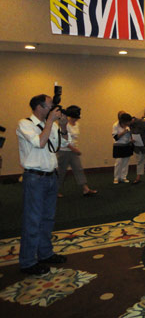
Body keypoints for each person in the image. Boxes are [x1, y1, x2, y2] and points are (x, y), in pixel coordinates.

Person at [16, 94, 70, 275]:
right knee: (33, 221)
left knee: (48, 218)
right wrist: (51, 123)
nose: (54, 109)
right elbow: (39, 142)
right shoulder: (25, 124)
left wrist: (62, 126)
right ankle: (28, 262)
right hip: (35, 179)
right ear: (40, 107)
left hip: (50, 177)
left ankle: (45, 253)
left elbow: (63, 144)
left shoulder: (53, 125)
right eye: (50, 106)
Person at [56, 105, 97, 197]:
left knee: (78, 169)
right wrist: (74, 149)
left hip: (73, 151)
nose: (76, 119)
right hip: (64, 151)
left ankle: (85, 189)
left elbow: (74, 139)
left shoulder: (77, 124)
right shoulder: (64, 125)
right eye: (75, 117)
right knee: (61, 171)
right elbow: (63, 140)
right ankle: (54, 190)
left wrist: (75, 149)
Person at [112, 112, 133, 184]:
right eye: (127, 122)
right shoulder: (115, 125)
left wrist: (131, 140)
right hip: (118, 145)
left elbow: (131, 135)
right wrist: (124, 132)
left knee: (126, 162)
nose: (128, 123)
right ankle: (116, 178)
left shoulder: (129, 126)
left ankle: (123, 177)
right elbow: (116, 137)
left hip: (127, 145)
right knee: (119, 162)